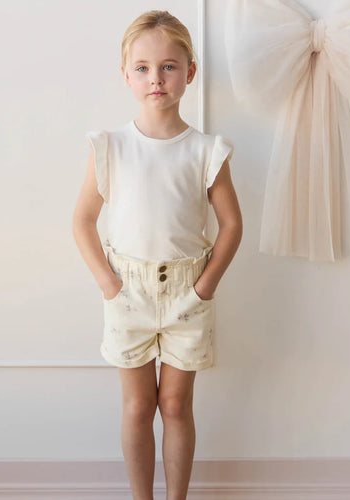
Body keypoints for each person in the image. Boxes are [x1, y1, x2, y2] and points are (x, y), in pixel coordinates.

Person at [72, 9, 243, 500]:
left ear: (190, 73)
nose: (156, 78)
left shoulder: (207, 151)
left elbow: (231, 225)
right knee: (137, 407)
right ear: (126, 74)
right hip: (128, 293)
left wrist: (204, 287)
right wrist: (110, 286)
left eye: (169, 66)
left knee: (175, 406)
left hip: (188, 294)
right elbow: (83, 221)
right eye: (143, 67)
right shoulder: (110, 147)